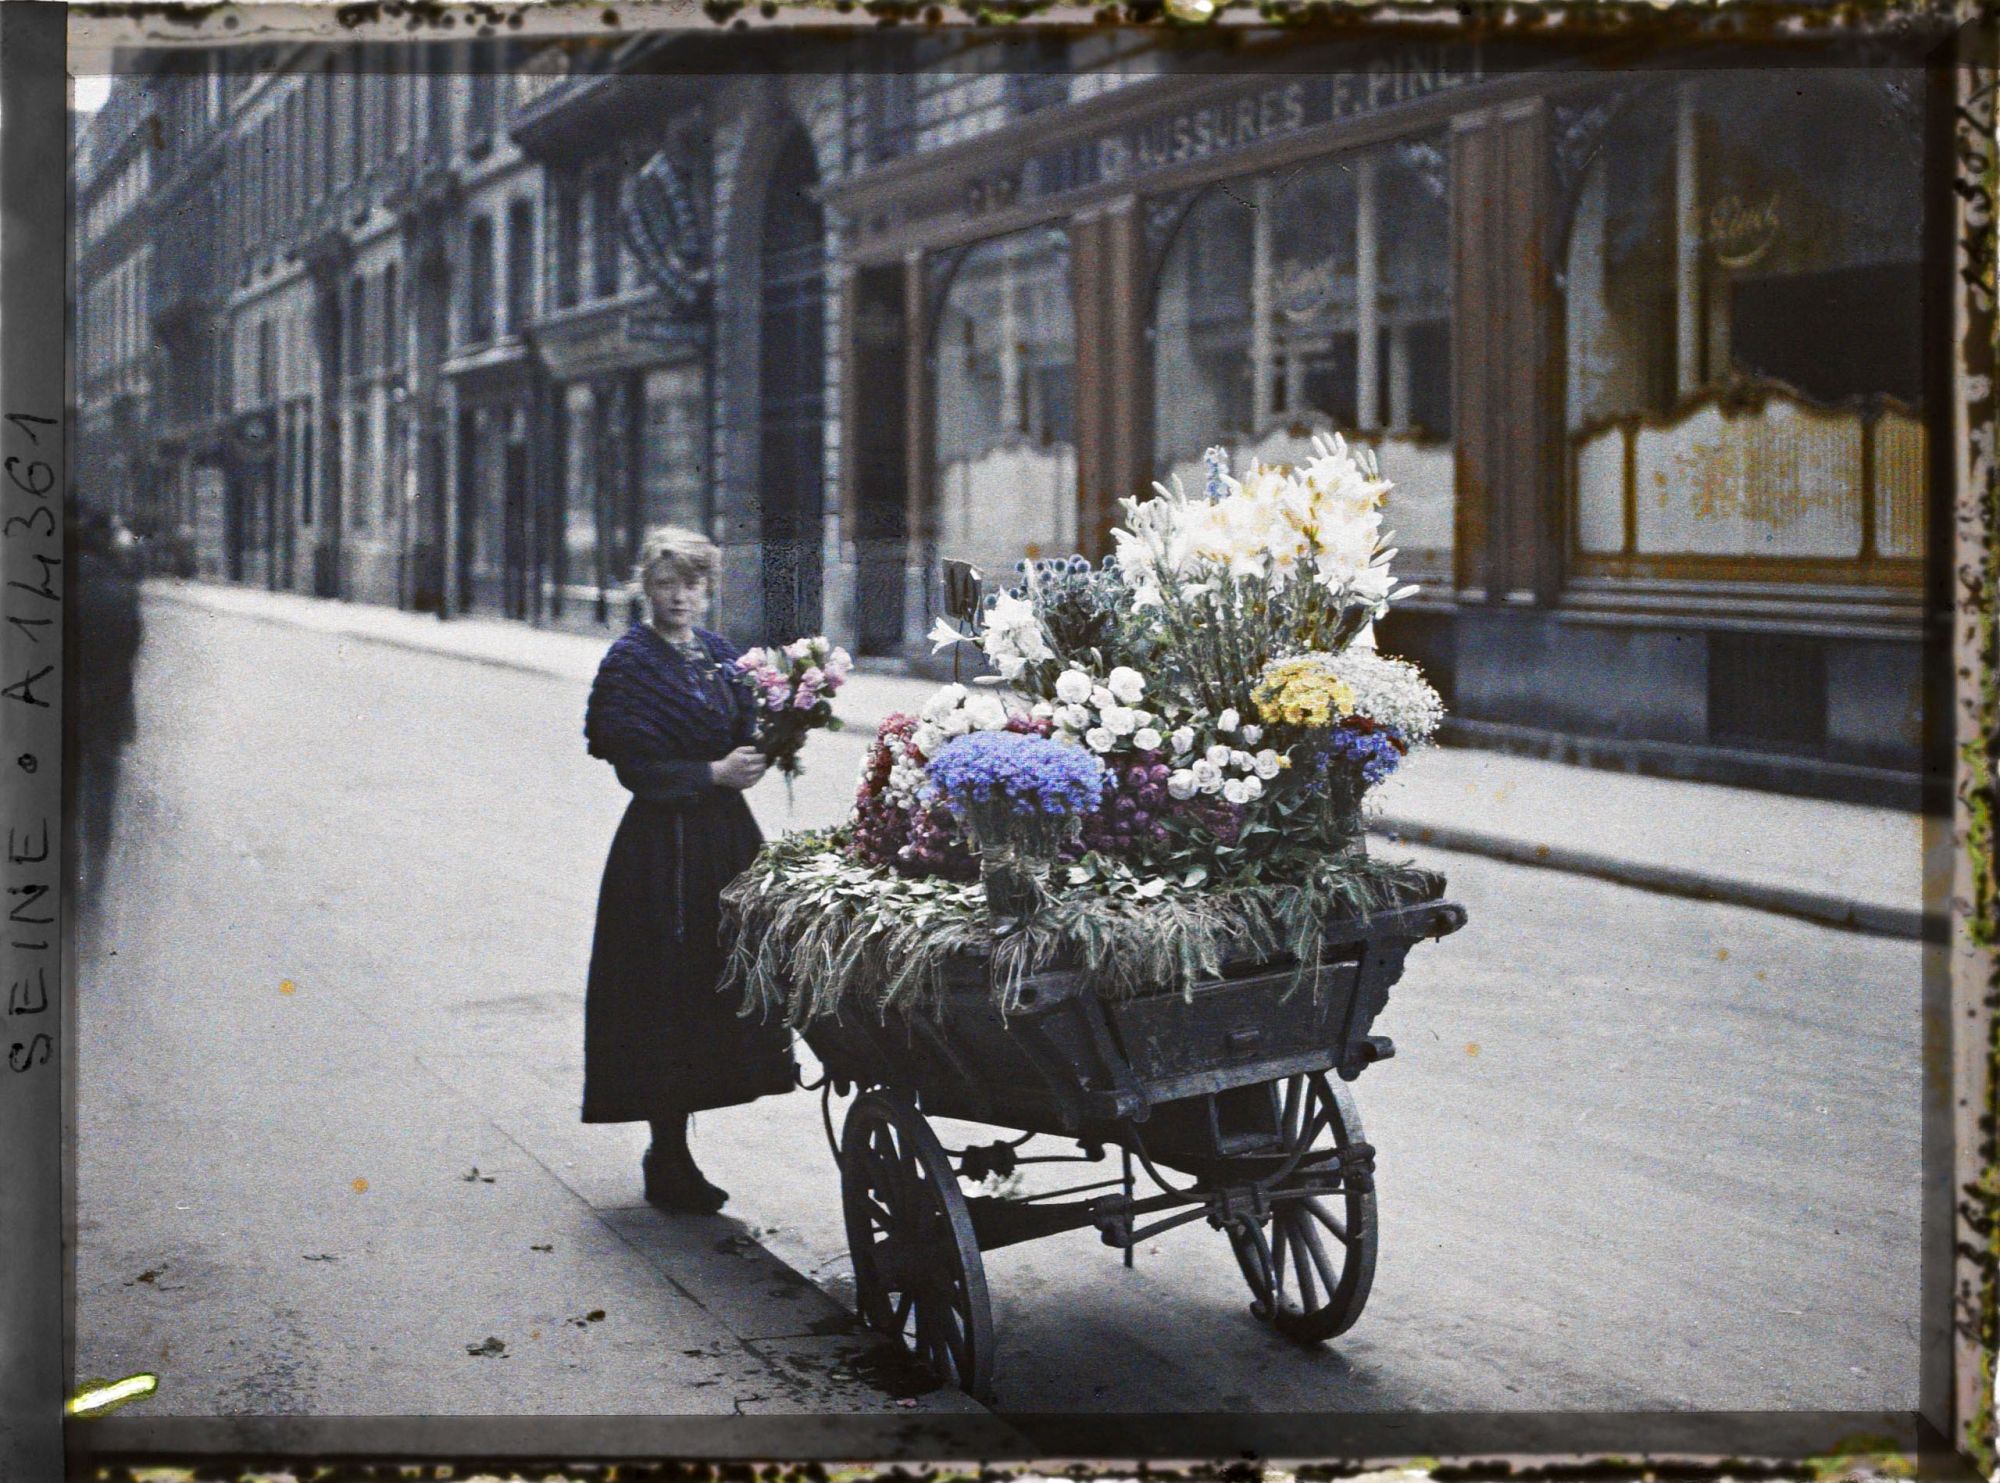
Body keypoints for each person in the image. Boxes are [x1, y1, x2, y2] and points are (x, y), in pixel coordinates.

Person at [581, 525, 794, 1212]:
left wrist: (765, 749)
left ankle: (681, 1145)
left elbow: (745, 728)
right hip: (662, 851)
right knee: (666, 989)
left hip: (724, 839)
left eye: (693, 583)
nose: (681, 596)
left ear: (707, 590)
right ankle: (666, 1151)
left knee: (721, 976)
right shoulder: (630, 663)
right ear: (648, 587)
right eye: (668, 583)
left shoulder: (717, 655)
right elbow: (633, 766)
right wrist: (712, 771)